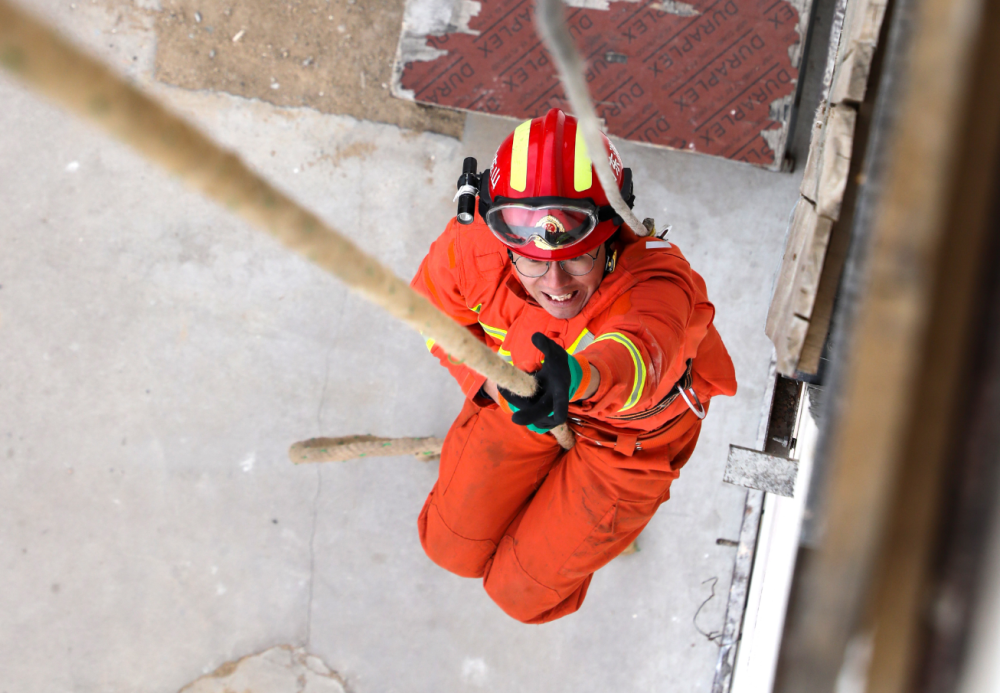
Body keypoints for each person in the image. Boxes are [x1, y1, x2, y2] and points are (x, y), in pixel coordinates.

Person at [410, 108, 737, 624]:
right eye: (532, 260)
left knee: (518, 594)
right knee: (446, 545)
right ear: (503, 235)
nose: (555, 283)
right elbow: (434, 316)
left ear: (613, 229)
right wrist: (491, 388)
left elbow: (639, 351)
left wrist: (578, 379)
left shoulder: (657, 283)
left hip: (621, 450)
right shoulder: (477, 248)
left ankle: (573, 523)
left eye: (578, 258)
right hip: (524, 400)